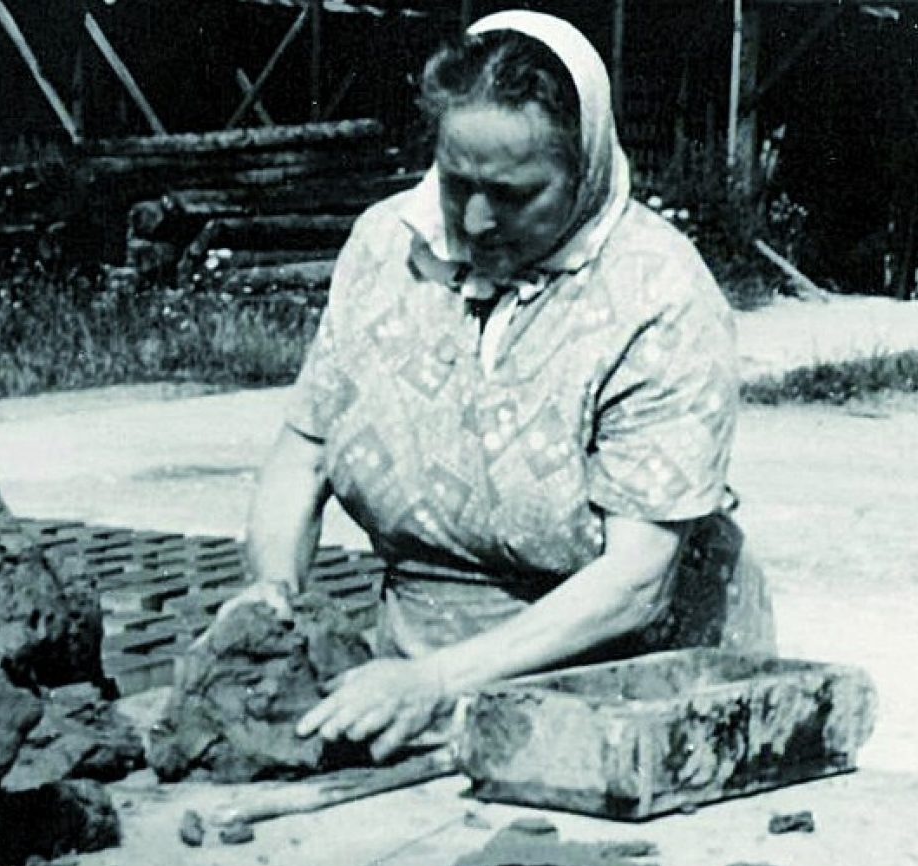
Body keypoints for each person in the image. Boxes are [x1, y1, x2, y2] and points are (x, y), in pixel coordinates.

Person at [231, 10, 775, 762]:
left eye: (516, 193)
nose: (478, 220)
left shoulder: (661, 295)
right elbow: (304, 448)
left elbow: (636, 579)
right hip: (411, 673)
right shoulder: (387, 246)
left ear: (583, 169)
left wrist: (436, 680)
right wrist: (272, 588)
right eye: (458, 183)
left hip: (622, 690)